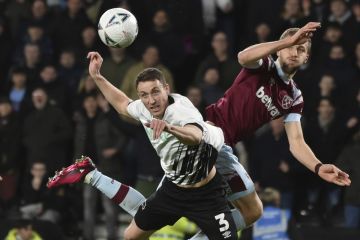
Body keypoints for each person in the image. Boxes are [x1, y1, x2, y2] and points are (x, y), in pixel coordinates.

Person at [48, 54, 238, 239]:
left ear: (167, 88)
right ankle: (91, 174)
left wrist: (170, 128)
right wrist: (97, 76)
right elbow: (123, 104)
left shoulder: (181, 111)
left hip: (206, 194)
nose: (151, 100)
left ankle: (92, 175)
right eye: (144, 95)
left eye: (155, 91)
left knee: (250, 216)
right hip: (174, 189)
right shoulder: (144, 107)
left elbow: (195, 136)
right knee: (131, 236)